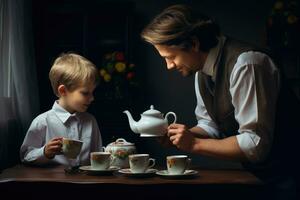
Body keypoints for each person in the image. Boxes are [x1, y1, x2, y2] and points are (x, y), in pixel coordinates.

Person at [141, 4, 299, 199]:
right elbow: (210, 126)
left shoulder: (247, 64)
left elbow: (254, 144)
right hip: (257, 178)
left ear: (194, 44)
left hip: (291, 177)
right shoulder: (201, 71)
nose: (169, 66)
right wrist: (182, 137)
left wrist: (194, 144)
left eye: (171, 57)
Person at [20, 53, 102, 167]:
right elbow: (25, 156)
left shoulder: (91, 121)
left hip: (86, 182)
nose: (92, 98)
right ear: (63, 91)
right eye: (85, 93)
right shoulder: (42, 122)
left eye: (92, 92)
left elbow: (98, 156)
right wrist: (44, 152)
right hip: (54, 182)